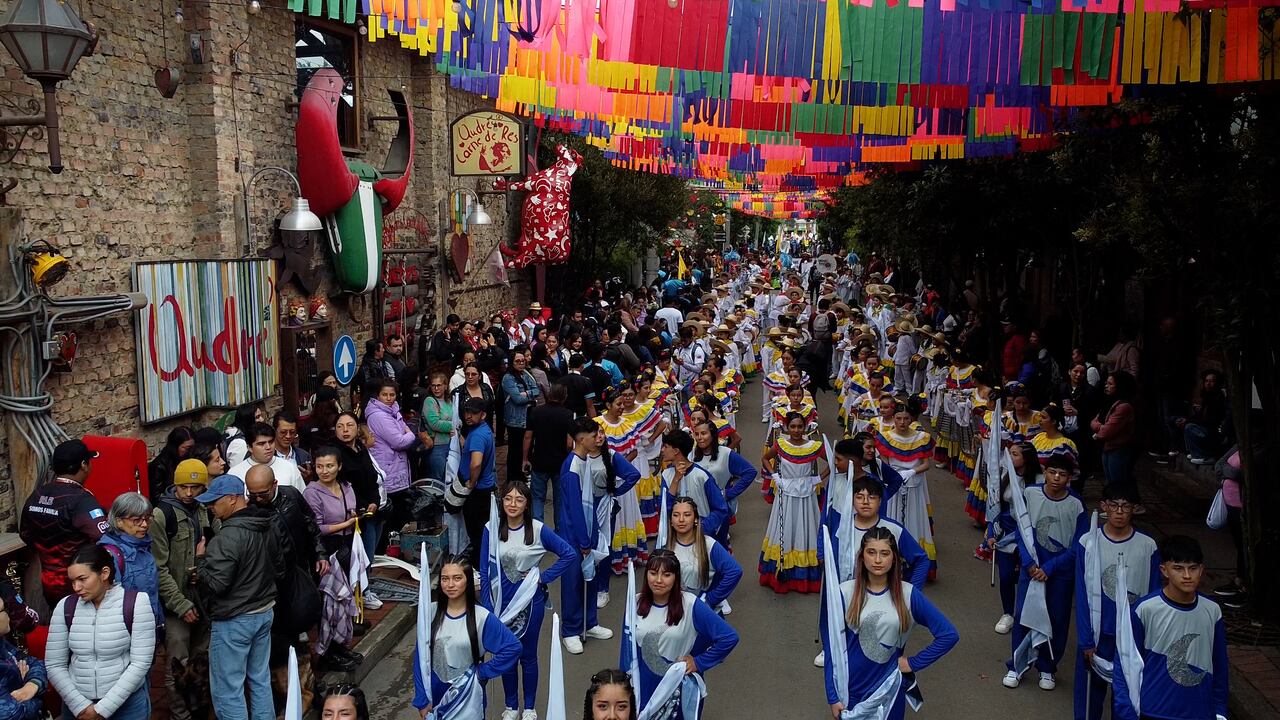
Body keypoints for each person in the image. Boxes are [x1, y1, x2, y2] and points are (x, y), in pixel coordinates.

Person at [822, 528, 958, 720]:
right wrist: (832, 696)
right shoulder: (844, 593)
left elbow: (949, 634)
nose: (877, 560)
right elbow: (831, 648)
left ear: (894, 558)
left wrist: (913, 663)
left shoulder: (908, 594)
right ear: (862, 557)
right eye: (871, 552)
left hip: (889, 693)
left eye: (884, 553)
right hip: (849, 694)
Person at [479, 482, 576, 720]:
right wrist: (487, 607)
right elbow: (484, 571)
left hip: (530, 603)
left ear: (527, 504)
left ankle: (529, 707)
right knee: (506, 655)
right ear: (502, 502)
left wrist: (543, 578)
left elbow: (568, 554)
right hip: (501, 604)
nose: (513, 504)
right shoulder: (491, 528)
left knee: (528, 655)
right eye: (508, 499)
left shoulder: (538, 529)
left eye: (519, 500)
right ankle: (511, 706)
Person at [195, 474, 284, 720]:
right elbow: (280, 568)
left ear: (232, 499)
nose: (210, 507)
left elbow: (217, 585)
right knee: (260, 679)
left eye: (214, 501)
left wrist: (201, 561)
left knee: (228, 690)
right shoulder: (268, 525)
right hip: (264, 611)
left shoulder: (227, 537)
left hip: (235, 620)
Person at [1112, 535, 1229, 720]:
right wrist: (1127, 712)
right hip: (1153, 711)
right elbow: (1124, 664)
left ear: (1201, 570)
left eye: (1193, 568)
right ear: (1164, 570)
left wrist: (1220, 710)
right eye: (1178, 568)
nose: (1187, 575)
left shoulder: (1213, 611)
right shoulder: (1144, 610)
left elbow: (1220, 665)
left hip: (1199, 713)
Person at [1073, 483, 1160, 720]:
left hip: (1132, 636)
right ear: (1104, 507)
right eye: (1114, 505)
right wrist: (1085, 639)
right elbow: (1082, 594)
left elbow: (1154, 593)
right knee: (1089, 698)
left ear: (1135, 509)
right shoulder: (1088, 543)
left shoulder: (1147, 546)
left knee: (1126, 698)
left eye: (1126, 506)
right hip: (1099, 633)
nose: (1120, 512)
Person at [1003, 455, 1087, 691]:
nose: (1056, 478)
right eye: (1052, 472)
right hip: (1030, 569)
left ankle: (1047, 667)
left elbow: (1079, 545)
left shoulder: (1077, 505)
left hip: (1060, 573)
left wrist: (1050, 568)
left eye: (1062, 474)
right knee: (1023, 616)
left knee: (1057, 619)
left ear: (1070, 478)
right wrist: (1028, 562)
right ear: (1044, 471)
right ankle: (1017, 665)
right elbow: (1020, 529)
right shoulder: (1030, 493)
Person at [556, 417, 640, 654]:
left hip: (591, 528)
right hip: (575, 535)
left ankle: (590, 622)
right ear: (581, 439)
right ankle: (570, 630)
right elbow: (573, 508)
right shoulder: (572, 466)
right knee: (573, 581)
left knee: (590, 576)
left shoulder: (585, 460)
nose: (598, 438)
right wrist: (583, 541)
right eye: (594, 435)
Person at [624, 550, 739, 718]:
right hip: (643, 685)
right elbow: (627, 648)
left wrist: (699, 663)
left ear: (676, 577)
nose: (658, 580)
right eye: (653, 573)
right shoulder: (634, 603)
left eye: (666, 574)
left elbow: (729, 637)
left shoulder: (691, 604)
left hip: (676, 688)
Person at [46, 545, 155, 720]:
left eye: (82, 579)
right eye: (72, 581)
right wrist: (80, 706)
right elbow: (54, 664)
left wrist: (102, 709)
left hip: (126, 706)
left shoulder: (136, 603)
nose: (76, 587)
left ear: (104, 573)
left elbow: (140, 663)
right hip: (77, 707)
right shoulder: (66, 606)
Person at [411, 555, 521, 719]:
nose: (450, 585)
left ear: (468, 580)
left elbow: (513, 647)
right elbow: (420, 656)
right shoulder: (430, 612)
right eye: (445, 579)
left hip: (468, 698)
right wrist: (421, 699)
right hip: (435, 697)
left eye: (457, 578)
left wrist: (481, 672)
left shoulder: (481, 617)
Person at [152, 459, 213, 720]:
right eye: (184, 487)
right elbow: (159, 568)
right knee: (176, 666)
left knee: (202, 661)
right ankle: (181, 715)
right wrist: (181, 605)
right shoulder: (161, 516)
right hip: (176, 605)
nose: (189, 493)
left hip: (202, 600)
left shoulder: (205, 510)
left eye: (195, 487)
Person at [19, 439, 107, 606]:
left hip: (49, 584)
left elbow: (25, 534)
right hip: (80, 585)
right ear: (83, 465)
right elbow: (104, 537)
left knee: (61, 625)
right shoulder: (81, 499)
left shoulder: (36, 494)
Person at [304, 447, 365, 668]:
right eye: (319, 466)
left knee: (346, 598)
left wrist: (354, 519)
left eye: (329, 465)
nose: (324, 471)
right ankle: (328, 650)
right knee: (330, 602)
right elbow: (316, 527)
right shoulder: (312, 492)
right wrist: (345, 524)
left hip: (348, 546)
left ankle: (341, 646)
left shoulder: (346, 486)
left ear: (339, 466)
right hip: (328, 551)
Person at [759, 413, 827, 593]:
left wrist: (818, 479)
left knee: (807, 527)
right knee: (785, 526)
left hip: (807, 491)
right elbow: (766, 458)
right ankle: (782, 568)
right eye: (793, 426)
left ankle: (807, 573)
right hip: (786, 490)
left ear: (805, 427)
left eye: (799, 426)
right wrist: (774, 476)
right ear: (787, 427)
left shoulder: (814, 446)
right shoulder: (780, 444)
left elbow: (834, 461)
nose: (796, 430)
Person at [874, 401, 937, 580]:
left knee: (914, 520)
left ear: (911, 419)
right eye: (899, 418)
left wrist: (912, 471)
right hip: (895, 485)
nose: (902, 422)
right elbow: (884, 463)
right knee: (892, 520)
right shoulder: (885, 437)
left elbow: (925, 464)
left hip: (914, 485)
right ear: (893, 419)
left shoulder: (921, 438)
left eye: (906, 418)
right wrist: (895, 476)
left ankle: (914, 562)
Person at [831, 476, 930, 588]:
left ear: (880, 501)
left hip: (885, 597)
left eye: (872, 497)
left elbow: (921, 560)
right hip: (849, 596)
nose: (865, 502)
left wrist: (911, 592)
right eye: (859, 497)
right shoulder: (841, 528)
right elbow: (833, 566)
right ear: (852, 501)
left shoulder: (894, 529)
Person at [984, 441, 1041, 635]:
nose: (1009, 458)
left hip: (1029, 535)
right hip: (1006, 532)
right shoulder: (1004, 476)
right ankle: (1008, 613)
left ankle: (1027, 615)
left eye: (1014, 454)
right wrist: (991, 531)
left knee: (1029, 575)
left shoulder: (1040, 480)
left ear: (1027, 458)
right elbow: (995, 507)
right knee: (1006, 576)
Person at [366, 379, 431, 539]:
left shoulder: (392, 411)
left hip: (396, 468)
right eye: (384, 395)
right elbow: (398, 441)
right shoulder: (379, 416)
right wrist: (410, 433)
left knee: (399, 515)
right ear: (378, 396)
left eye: (392, 395)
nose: (388, 398)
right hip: (389, 469)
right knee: (392, 517)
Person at [97, 492, 164, 631]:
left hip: (148, 629)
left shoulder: (144, 547)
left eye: (147, 518)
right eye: (136, 520)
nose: (144, 524)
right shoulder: (110, 555)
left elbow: (153, 595)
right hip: (124, 632)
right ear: (118, 521)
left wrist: (159, 626)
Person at [665, 497, 742, 614]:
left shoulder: (708, 545)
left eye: (686, 515)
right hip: (674, 613)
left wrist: (711, 599)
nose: (681, 519)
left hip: (701, 613)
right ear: (671, 520)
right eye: (676, 515)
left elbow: (734, 571)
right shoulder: (665, 547)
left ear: (695, 519)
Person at [689, 420, 756, 542]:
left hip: (717, 509)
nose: (699, 438)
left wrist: (729, 493)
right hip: (696, 509)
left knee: (717, 546)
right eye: (696, 434)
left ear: (713, 435)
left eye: (703, 433)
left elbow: (750, 472)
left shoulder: (726, 453)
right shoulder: (691, 454)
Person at [659, 429, 729, 544]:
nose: (662, 450)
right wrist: (676, 480)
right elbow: (664, 510)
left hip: (702, 538)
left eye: (665, 446)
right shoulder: (667, 475)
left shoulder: (701, 475)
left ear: (676, 451)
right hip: (676, 540)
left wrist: (701, 528)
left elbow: (720, 509)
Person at [334, 412, 386, 559]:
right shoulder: (335, 454)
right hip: (355, 515)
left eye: (349, 425)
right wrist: (365, 504)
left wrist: (375, 501)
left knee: (370, 555)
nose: (345, 430)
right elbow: (344, 486)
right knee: (362, 559)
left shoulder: (360, 449)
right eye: (340, 426)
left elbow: (372, 478)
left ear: (358, 429)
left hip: (373, 509)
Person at [525, 384, 576, 523]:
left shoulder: (535, 412)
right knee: (559, 500)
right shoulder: (567, 414)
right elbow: (569, 443)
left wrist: (525, 459)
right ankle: (559, 533)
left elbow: (528, 437)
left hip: (539, 460)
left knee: (537, 498)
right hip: (560, 463)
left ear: (549, 394)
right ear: (564, 397)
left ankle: (538, 531)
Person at [0, 580, 46, 720]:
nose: (9, 614)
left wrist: (32, 685)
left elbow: (35, 663)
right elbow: (13, 714)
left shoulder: (3, 644)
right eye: (3, 609)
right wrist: (23, 683)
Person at [1091, 370, 1139, 489]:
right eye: (1106, 383)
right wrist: (1100, 428)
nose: (1106, 386)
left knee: (1119, 484)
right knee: (1110, 483)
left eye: (1110, 384)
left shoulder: (1124, 407)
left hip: (1119, 449)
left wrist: (1099, 429)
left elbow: (1105, 432)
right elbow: (1093, 422)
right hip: (1108, 448)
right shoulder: (1109, 402)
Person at [226, 423, 304, 491]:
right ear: (249, 447)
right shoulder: (235, 474)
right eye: (261, 444)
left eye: (271, 442)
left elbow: (301, 498)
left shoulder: (289, 468)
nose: (268, 447)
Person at [502, 350, 542, 484]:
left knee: (527, 449)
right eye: (517, 361)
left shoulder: (526, 374)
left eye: (522, 361)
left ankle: (524, 477)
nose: (520, 363)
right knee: (515, 451)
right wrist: (527, 395)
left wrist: (526, 393)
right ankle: (513, 480)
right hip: (515, 421)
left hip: (528, 417)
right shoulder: (508, 378)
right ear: (512, 363)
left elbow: (536, 390)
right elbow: (517, 399)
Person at [421, 372, 456, 482]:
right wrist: (453, 426)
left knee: (449, 478)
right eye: (433, 385)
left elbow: (459, 420)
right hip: (436, 446)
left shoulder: (449, 401)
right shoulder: (429, 401)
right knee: (436, 479)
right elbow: (435, 424)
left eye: (439, 385)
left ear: (445, 386)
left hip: (451, 445)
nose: (436, 388)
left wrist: (453, 424)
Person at [147, 426, 194, 499]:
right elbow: (157, 495)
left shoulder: (189, 459)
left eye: (192, 447)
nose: (190, 451)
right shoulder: (159, 466)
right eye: (186, 448)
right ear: (175, 446)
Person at [272, 411, 313, 483]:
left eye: (292, 432)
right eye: (283, 432)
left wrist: (308, 479)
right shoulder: (268, 456)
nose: (288, 436)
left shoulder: (304, 456)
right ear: (274, 431)